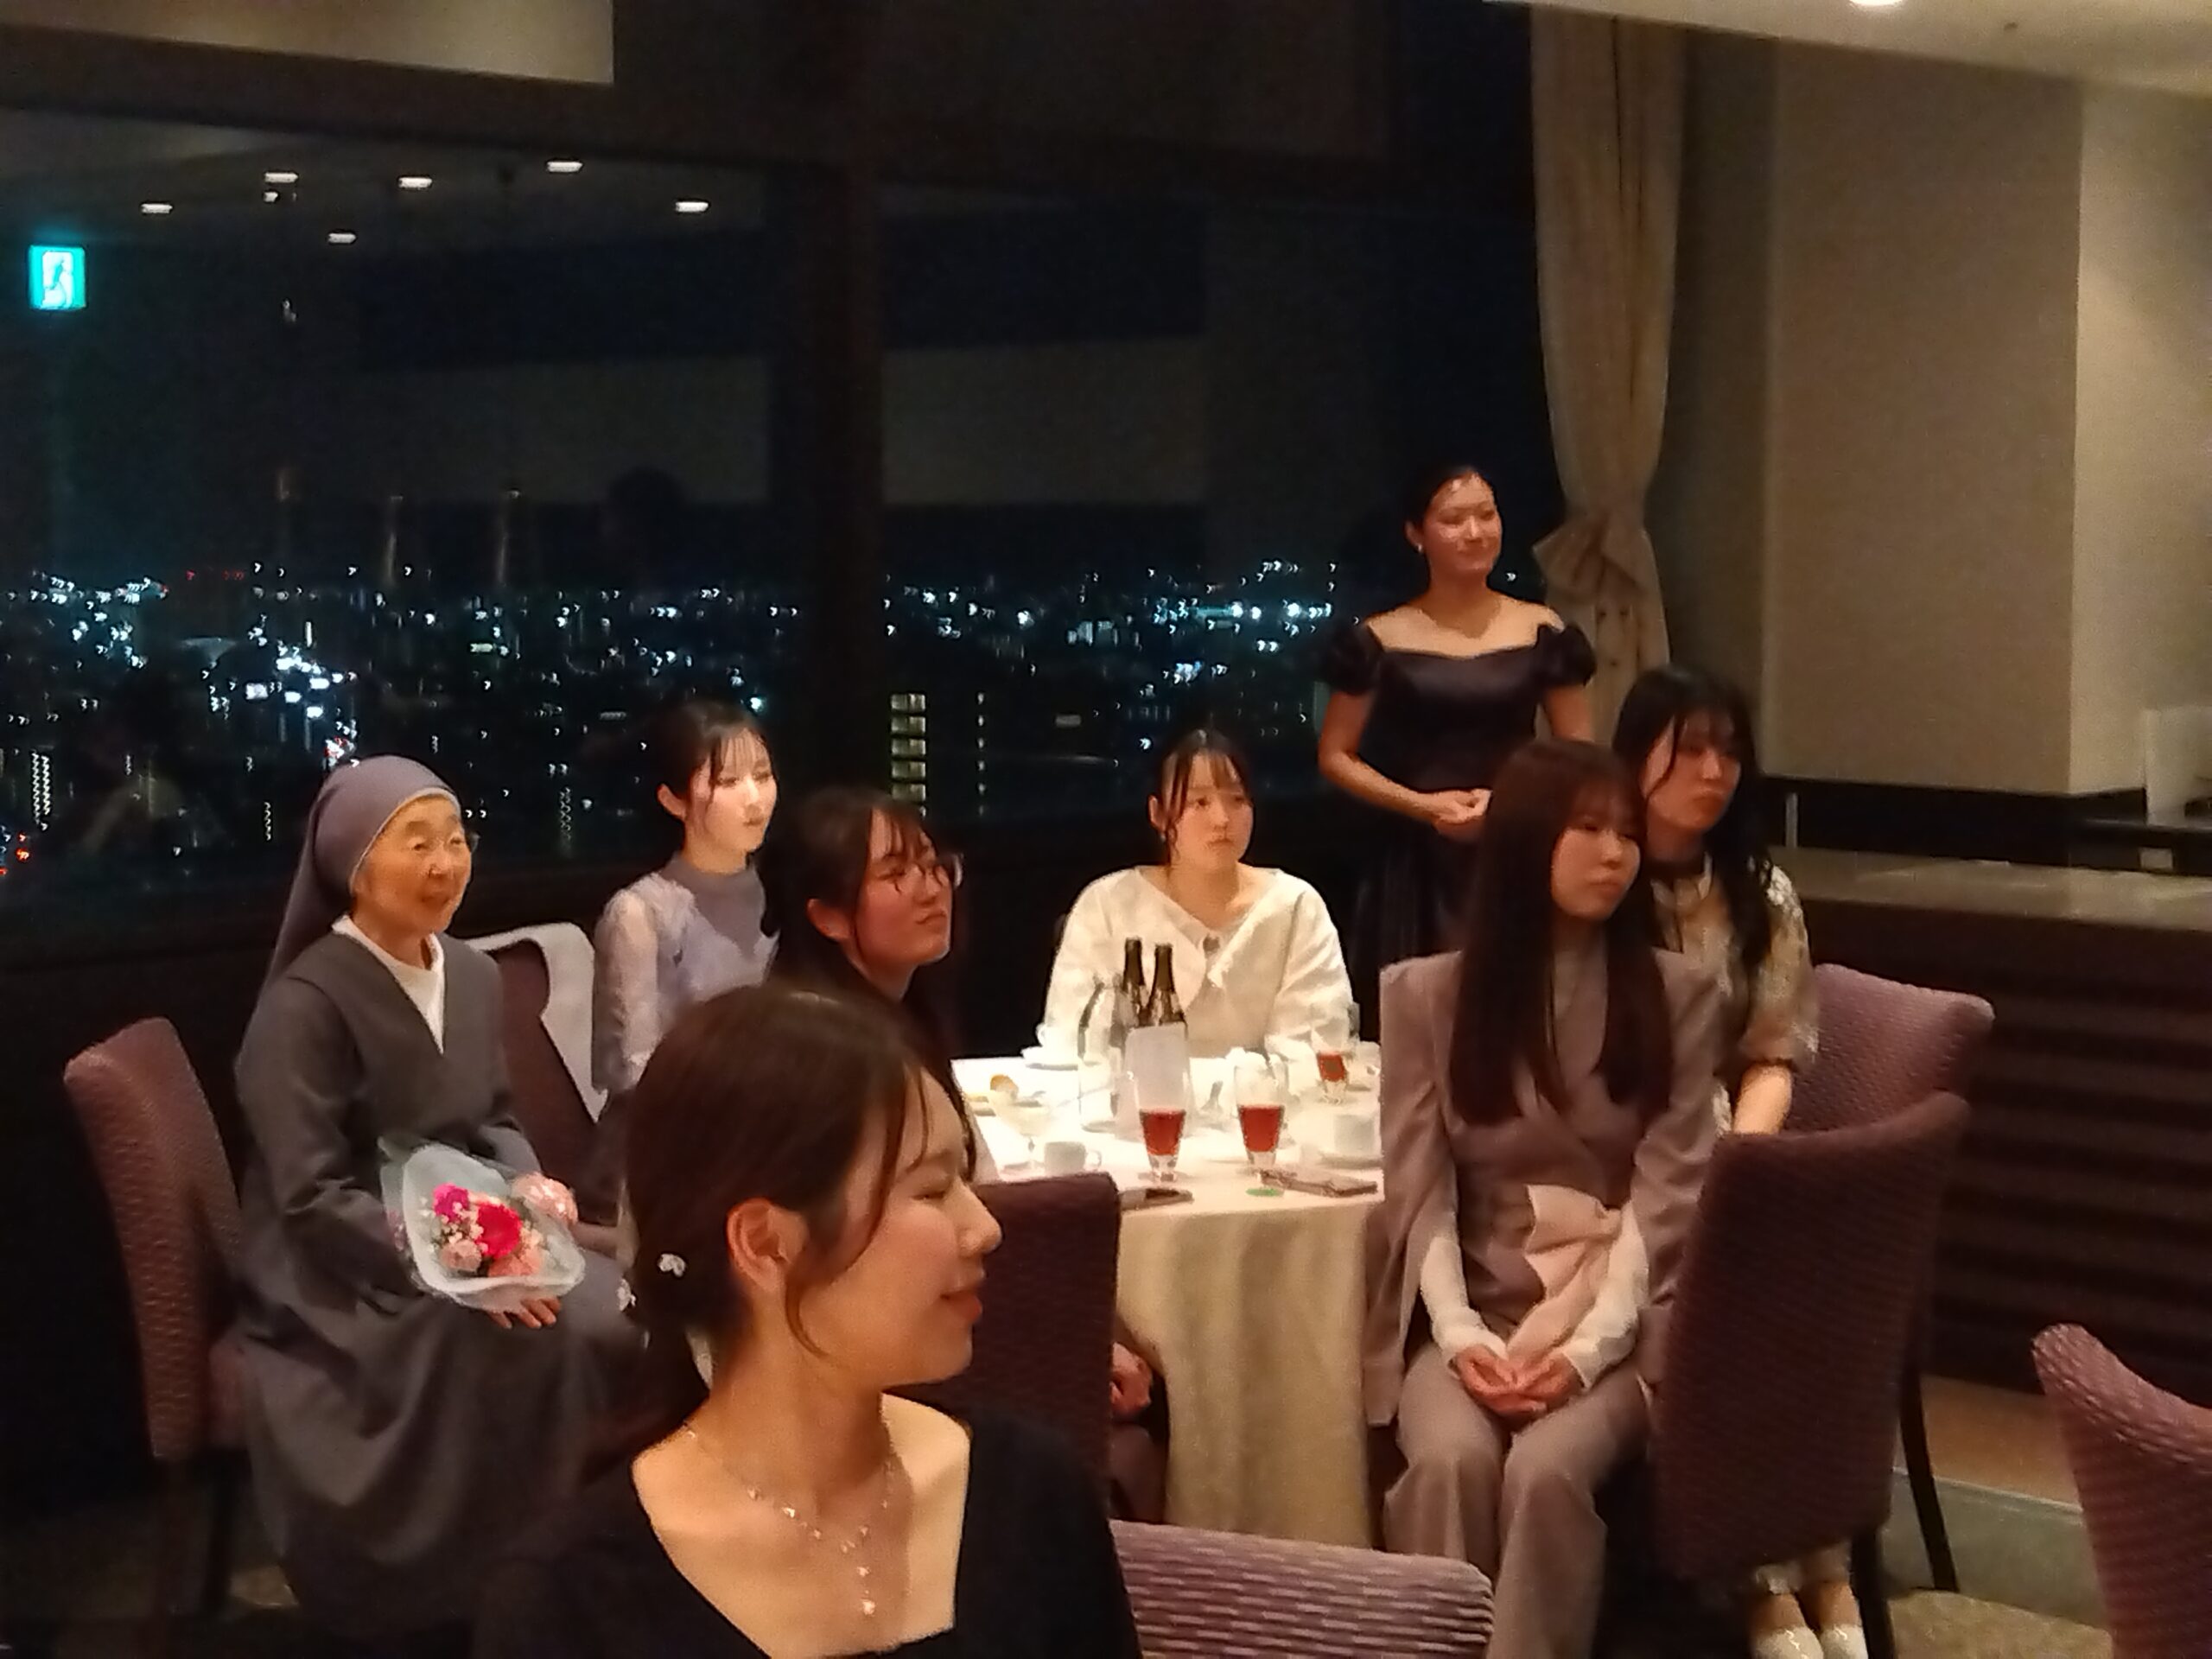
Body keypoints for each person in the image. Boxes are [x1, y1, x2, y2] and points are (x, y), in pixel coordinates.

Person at [474, 983, 1142, 1658]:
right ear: (765, 1244)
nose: (985, 1227)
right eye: (933, 1188)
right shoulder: (577, 1601)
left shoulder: (1026, 1495)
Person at [232, 757, 626, 1650]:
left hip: (470, 1223)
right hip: (344, 1260)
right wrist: (463, 1265)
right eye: (416, 845)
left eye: (456, 840)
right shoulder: (305, 1005)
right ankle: (494, 1586)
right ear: (351, 864)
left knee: (626, 1309)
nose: (446, 864)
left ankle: (594, 1557)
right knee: (547, 1336)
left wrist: (523, 1181)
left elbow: (494, 1118)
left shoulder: (472, 974)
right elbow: (309, 1194)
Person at [1364, 738, 1722, 1659]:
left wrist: (1587, 1352)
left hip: (1621, 1318)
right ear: (1527, 841)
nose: (1616, 853)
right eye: (1588, 829)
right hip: (1475, 1310)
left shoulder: (1679, 995)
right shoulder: (1426, 997)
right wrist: (1460, 1336)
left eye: (1627, 833)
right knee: (1449, 1462)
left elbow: (1668, 1197)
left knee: (1546, 1472)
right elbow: (1420, 1188)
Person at [1615, 665, 1839, 1659]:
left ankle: (1820, 1570)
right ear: (1636, 756)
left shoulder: (1758, 892)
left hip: (1725, 1142)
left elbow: (1772, 1054)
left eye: (1729, 751)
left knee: (1779, 1287)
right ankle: (1773, 1587)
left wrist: (1739, 1168)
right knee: (1726, 1308)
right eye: (1690, 748)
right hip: (1615, 1153)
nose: (1713, 771)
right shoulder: (1598, 879)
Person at [1318, 462, 1597, 1013]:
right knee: (1416, 1015)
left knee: (1520, 1008)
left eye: (1486, 515)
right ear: (1416, 534)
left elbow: (1578, 751)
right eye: (1453, 520)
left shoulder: (1542, 629)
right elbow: (1335, 755)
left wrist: (1510, 802)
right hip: (1412, 855)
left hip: (1516, 839)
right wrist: (1422, 806)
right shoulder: (1378, 637)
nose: (1475, 532)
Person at [1042, 728, 1352, 1059]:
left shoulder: (1294, 905)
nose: (1221, 819)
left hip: (1267, 1093)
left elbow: (1314, 1045)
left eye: (1237, 799)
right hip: (1135, 1091)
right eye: (1199, 802)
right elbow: (1074, 1041)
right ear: (1158, 814)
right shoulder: (1108, 904)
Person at [588, 701, 779, 1217]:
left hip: (768, 1142)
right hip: (663, 1166)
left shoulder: (779, 892)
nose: (754, 798)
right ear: (673, 800)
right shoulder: (640, 913)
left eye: (762, 776)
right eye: (728, 781)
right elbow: (639, 1075)